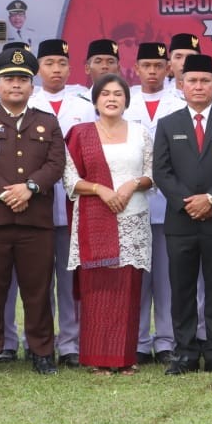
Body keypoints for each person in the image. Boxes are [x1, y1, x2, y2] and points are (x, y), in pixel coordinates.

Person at [0, 48, 66, 378]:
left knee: (38, 290)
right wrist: (7, 193)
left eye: (23, 79)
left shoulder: (47, 122)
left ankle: (41, 351)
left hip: (35, 221)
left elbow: (56, 163)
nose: (16, 85)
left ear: (32, 86)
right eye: (9, 79)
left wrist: (30, 188)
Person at [152, 53, 212, 375]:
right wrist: (187, 202)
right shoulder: (168, 124)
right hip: (180, 221)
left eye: (205, 80)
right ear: (181, 85)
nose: (198, 86)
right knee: (182, 289)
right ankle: (185, 352)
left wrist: (211, 199)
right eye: (192, 81)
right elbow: (161, 172)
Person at [64, 74, 154, 375]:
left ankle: (124, 358)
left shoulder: (141, 133)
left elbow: (152, 173)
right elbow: (69, 178)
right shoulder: (80, 133)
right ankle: (97, 359)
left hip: (132, 217)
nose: (112, 98)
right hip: (94, 217)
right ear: (95, 100)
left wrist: (131, 185)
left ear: (127, 100)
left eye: (118, 93)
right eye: (105, 94)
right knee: (98, 289)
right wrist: (100, 190)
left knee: (127, 288)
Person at [29, 38, 96, 368]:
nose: (56, 70)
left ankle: (71, 341)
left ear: (71, 68)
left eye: (62, 64)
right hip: (35, 203)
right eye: (49, 63)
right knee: (37, 278)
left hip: (75, 204)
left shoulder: (84, 104)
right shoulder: (27, 102)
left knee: (72, 277)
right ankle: (38, 340)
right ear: (38, 68)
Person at [126, 42, 180, 364]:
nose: (152, 71)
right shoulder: (123, 98)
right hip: (131, 202)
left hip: (169, 203)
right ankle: (137, 341)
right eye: (146, 65)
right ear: (136, 67)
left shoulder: (179, 100)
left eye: (158, 65)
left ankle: (166, 341)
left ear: (168, 68)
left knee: (167, 278)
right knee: (136, 276)